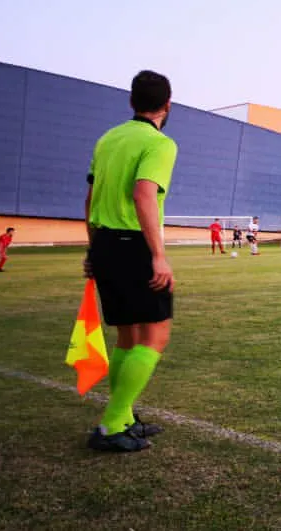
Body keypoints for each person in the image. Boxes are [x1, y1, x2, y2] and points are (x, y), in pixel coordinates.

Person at [82, 70, 177, 452]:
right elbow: (144, 195)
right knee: (156, 335)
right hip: (133, 244)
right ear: (167, 105)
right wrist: (158, 256)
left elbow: (89, 199)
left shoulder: (108, 138)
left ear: (132, 102)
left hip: (105, 242)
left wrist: (93, 249)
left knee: (127, 335)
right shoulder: (160, 143)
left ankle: (123, 417)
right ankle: (110, 424)